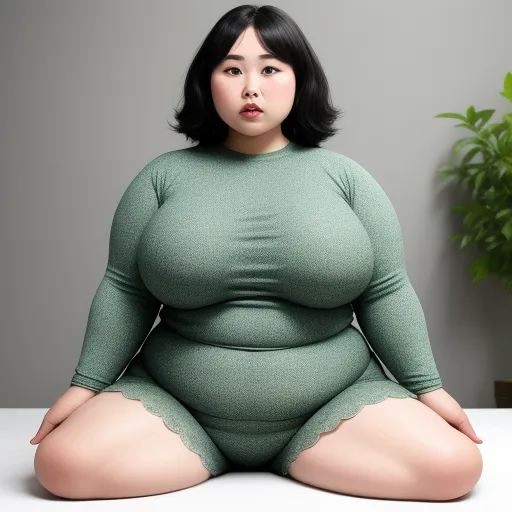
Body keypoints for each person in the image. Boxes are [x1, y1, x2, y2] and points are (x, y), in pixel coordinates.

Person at [31, 4, 483, 502]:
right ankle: (211, 457)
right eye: (232, 69)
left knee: (453, 469)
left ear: (299, 80)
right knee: (62, 466)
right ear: (208, 83)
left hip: (333, 408)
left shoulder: (347, 180)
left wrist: (428, 387)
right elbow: (124, 290)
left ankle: (297, 456)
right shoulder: (162, 177)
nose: (252, 87)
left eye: (270, 68)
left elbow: (386, 291)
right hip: (177, 406)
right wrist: (85, 385)